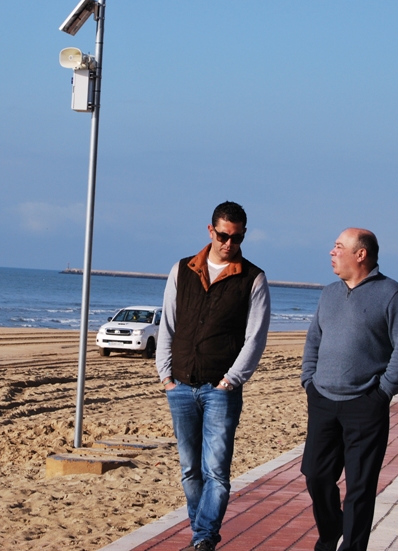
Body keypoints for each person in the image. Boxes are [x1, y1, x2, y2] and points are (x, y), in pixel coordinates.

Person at [156, 201, 271, 551]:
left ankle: (204, 538)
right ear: (211, 231)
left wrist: (232, 379)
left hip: (221, 390)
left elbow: (256, 336)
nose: (228, 244)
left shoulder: (253, 278)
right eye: (223, 235)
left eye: (236, 238)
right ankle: (200, 534)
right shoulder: (182, 270)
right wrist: (165, 375)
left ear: (243, 236)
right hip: (180, 385)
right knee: (190, 471)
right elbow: (168, 323)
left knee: (216, 473)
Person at [300, 228, 398, 551]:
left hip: (365, 404)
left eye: (339, 247)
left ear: (360, 254)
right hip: (323, 400)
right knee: (316, 477)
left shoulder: (393, 294)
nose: (332, 252)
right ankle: (330, 530)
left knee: (360, 488)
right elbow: (313, 340)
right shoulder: (329, 293)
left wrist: (382, 393)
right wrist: (309, 381)